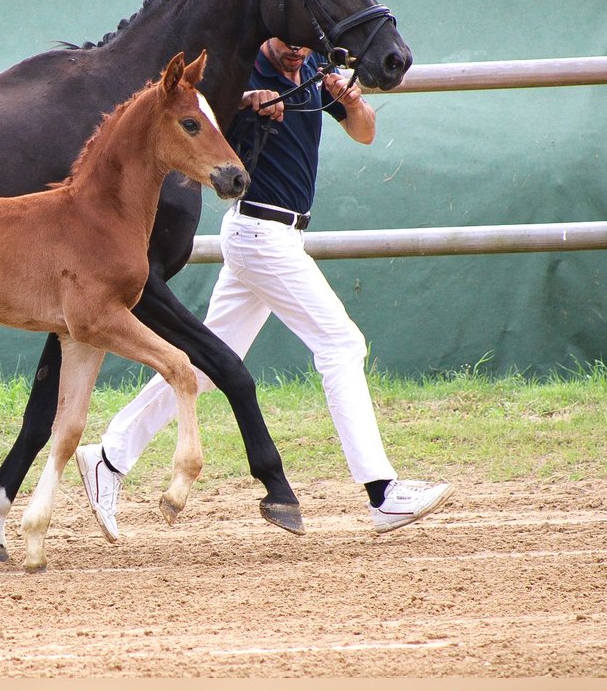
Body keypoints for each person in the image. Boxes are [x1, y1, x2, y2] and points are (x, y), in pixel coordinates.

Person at [75, 37, 452, 540]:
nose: (297, 52)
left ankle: (108, 457)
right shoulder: (247, 70)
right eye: (287, 43)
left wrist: (352, 100)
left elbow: (364, 133)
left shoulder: (314, 65)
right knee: (341, 345)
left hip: (280, 234)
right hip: (261, 234)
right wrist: (242, 105)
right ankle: (382, 492)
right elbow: (201, 124)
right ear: (269, 35)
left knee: (211, 362)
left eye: (303, 45)